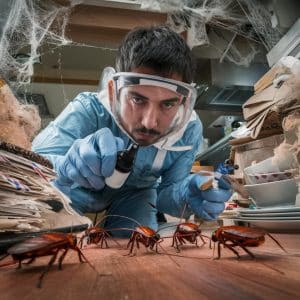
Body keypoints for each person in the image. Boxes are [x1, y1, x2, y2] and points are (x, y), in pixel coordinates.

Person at [32, 25, 232, 234]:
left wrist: (185, 194)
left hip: (136, 195)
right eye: (137, 99)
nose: (149, 122)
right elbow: (28, 166)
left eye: (168, 104)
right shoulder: (88, 110)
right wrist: (64, 166)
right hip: (78, 189)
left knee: (138, 242)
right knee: (51, 234)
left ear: (183, 102)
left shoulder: (188, 130)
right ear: (114, 91)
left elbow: (165, 197)